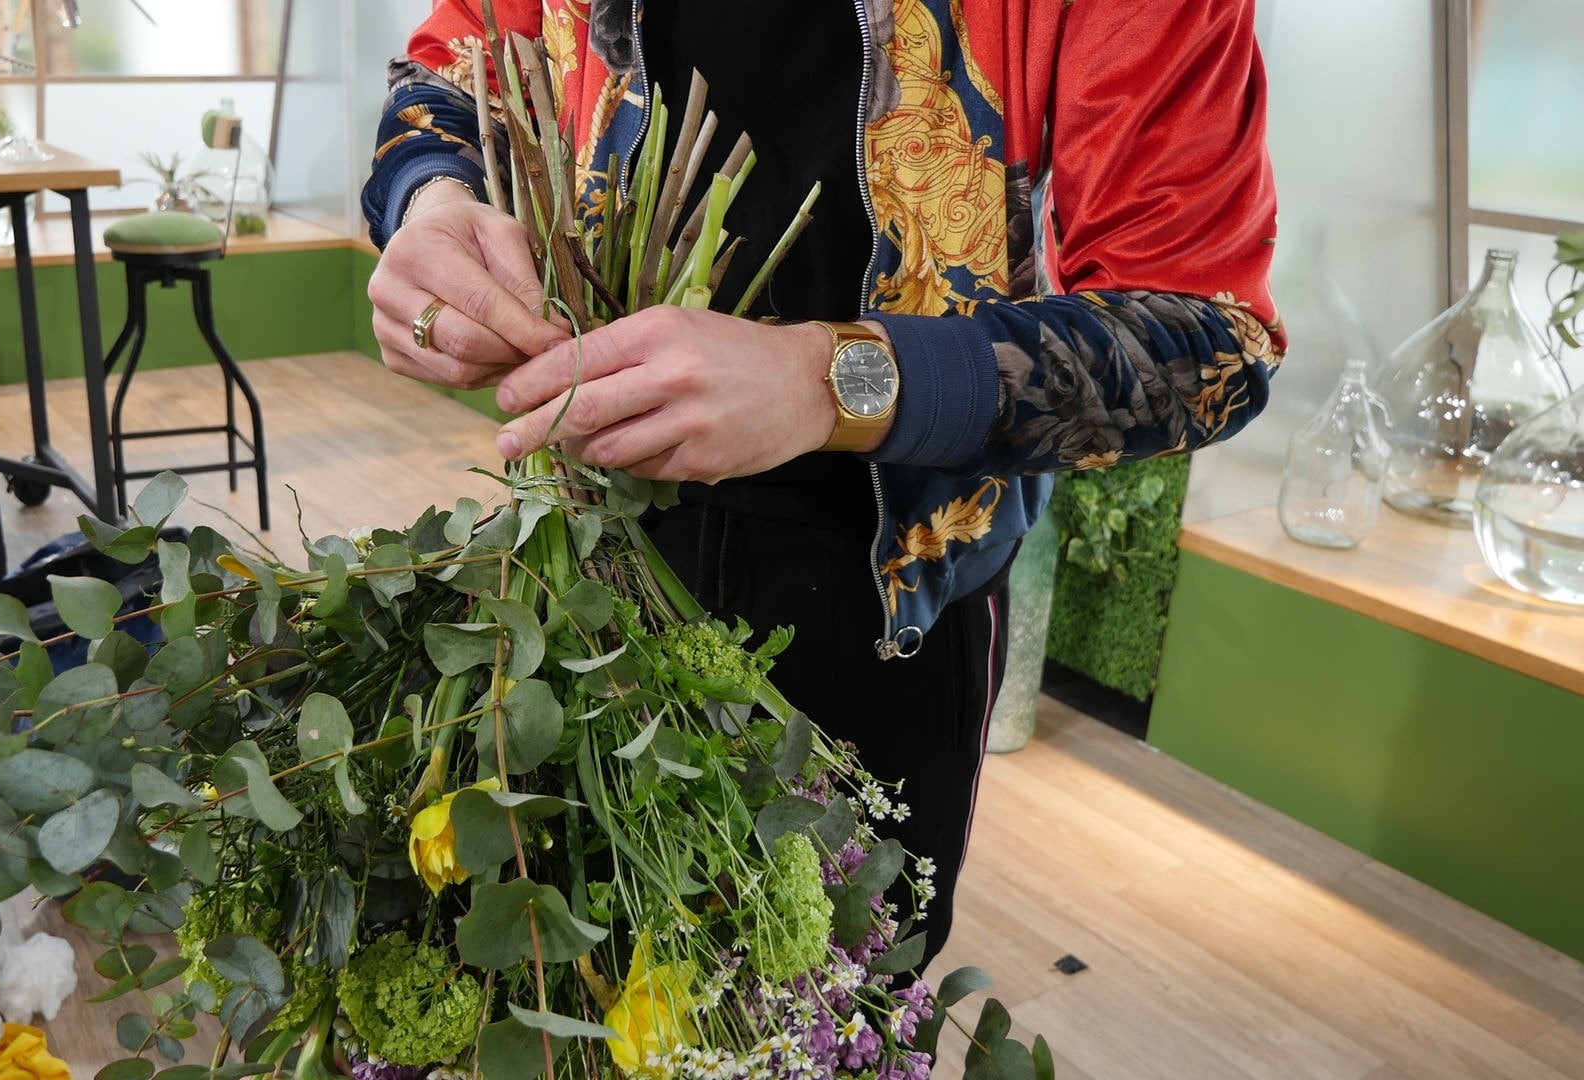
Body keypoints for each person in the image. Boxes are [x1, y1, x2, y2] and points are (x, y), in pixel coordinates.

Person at [361, 0, 1283, 946]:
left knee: (832, 993)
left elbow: (1210, 344)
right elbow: (457, 62)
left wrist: (829, 381)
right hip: (577, 552)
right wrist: (430, 200)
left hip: (887, 596)